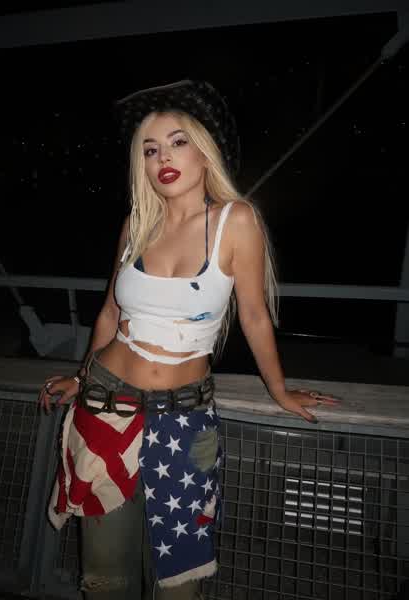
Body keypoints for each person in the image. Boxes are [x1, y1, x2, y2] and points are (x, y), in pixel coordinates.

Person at [39, 80, 339, 600]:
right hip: (106, 403)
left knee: (181, 580)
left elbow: (254, 316)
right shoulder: (136, 225)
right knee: (105, 577)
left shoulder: (235, 221)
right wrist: (82, 376)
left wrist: (279, 390)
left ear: (204, 151)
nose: (163, 158)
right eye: (150, 149)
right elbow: (110, 312)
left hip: (185, 414)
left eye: (178, 142)